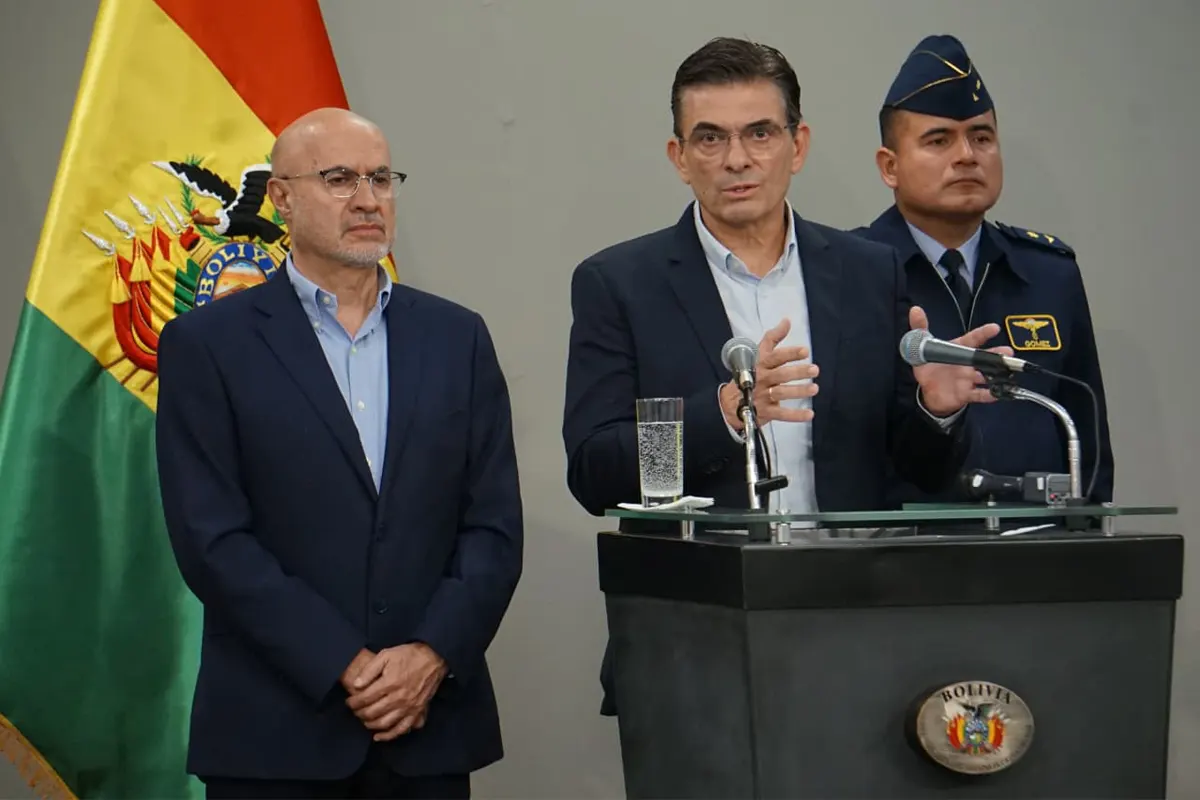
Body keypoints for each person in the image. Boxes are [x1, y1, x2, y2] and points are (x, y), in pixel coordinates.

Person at [561, 37, 1008, 716]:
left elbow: (917, 469)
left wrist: (937, 413)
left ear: (797, 146)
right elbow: (595, 470)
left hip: (855, 636)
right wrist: (721, 416)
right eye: (709, 138)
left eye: (759, 134)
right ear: (679, 158)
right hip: (692, 647)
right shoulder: (620, 284)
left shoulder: (868, 272)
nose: (736, 159)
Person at [155, 107, 523, 799]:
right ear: (280, 199)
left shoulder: (457, 337)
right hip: (275, 733)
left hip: (426, 728)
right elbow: (212, 538)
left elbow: (493, 528)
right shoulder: (208, 346)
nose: (366, 199)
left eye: (381, 178)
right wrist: (343, 664)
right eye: (339, 178)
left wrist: (431, 655)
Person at [854, 34, 1114, 503]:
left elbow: (1088, 444)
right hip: (904, 557)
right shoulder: (854, 275)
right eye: (939, 140)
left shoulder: (1049, 272)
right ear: (889, 167)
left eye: (981, 137)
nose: (967, 156)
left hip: (1039, 553)